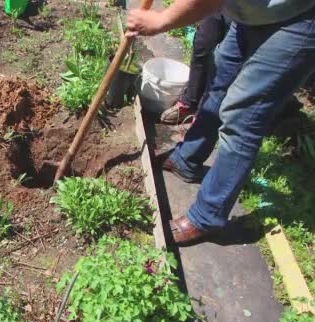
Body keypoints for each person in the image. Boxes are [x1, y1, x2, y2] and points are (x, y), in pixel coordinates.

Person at [126, 0, 315, 245]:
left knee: (243, 115)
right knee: (219, 81)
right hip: (253, 13)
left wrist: (162, 19)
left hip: (297, 19)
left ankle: (207, 217)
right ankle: (187, 160)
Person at [159, 11, 231, 125]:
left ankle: (202, 114)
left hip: (250, 12)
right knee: (203, 43)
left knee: (225, 62)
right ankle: (190, 102)